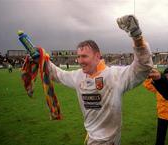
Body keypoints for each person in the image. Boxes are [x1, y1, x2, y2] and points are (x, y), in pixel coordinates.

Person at [33, 15, 152, 145]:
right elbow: (57, 74)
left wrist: (137, 36)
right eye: (78, 56)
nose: (80, 61)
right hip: (91, 137)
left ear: (97, 56)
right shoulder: (78, 76)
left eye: (84, 56)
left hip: (108, 141)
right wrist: (41, 59)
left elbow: (142, 67)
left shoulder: (114, 76)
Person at [143, 68, 168, 145]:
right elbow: (147, 85)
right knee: (160, 137)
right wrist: (148, 77)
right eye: (166, 75)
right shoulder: (159, 85)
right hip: (162, 115)